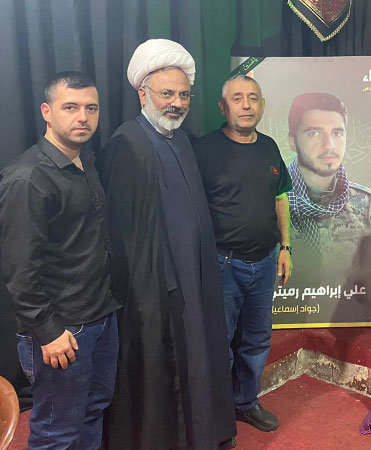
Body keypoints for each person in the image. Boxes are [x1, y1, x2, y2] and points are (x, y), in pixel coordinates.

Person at [99, 39, 236, 450]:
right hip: (158, 291)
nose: (176, 103)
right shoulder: (128, 143)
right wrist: (154, 290)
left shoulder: (181, 140)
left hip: (195, 280)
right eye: (167, 94)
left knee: (202, 355)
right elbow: (125, 237)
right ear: (143, 94)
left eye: (184, 95)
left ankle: (204, 434)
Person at [0, 72, 121, 449]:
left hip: (101, 317)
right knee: (57, 432)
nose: (82, 117)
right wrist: (48, 332)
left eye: (91, 108)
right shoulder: (27, 179)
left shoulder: (86, 163)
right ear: (47, 112)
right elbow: (20, 271)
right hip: (62, 331)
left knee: (93, 410)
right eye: (70, 107)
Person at [193, 75, 292, 433]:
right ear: (223, 107)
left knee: (257, 339)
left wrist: (286, 247)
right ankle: (218, 416)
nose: (246, 105)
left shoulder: (269, 147)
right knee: (218, 344)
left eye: (253, 98)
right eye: (237, 98)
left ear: (262, 105)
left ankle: (246, 402)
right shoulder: (203, 150)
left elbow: (280, 198)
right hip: (222, 266)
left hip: (264, 263)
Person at [286, 92, 371, 281]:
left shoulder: (365, 205)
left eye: (337, 133)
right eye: (314, 133)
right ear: (292, 141)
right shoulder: (270, 202)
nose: (329, 145)